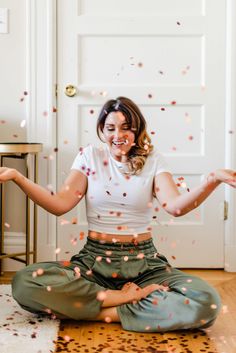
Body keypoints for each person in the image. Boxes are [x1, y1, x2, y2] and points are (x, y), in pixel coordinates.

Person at [0, 96, 235, 333]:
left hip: (145, 265)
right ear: (102, 130)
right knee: (25, 282)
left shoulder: (153, 161)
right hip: (94, 262)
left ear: (137, 130)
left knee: (205, 301)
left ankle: (100, 307)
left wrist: (212, 180)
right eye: (110, 128)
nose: (118, 135)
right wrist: (17, 177)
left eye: (126, 128)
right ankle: (123, 300)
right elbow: (59, 204)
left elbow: (175, 206)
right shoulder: (89, 156)